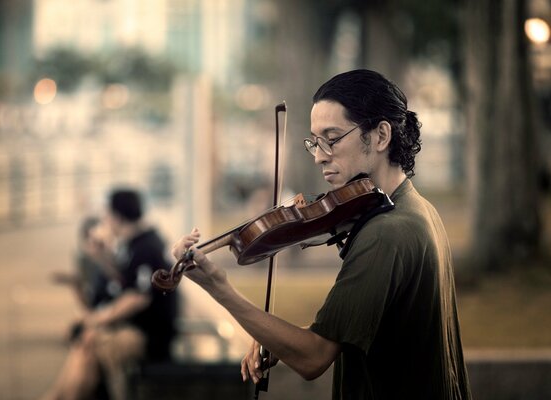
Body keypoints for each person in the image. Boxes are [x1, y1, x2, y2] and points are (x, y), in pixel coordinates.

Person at [172, 69, 472, 399]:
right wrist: (276, 336)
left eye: (331, 138)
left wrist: (220, 288)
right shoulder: (417, 209)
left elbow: (313, 357)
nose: (318, 156)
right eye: (314, 141)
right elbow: (355, 331)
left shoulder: (386, 233)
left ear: (381, 136)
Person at [41, 188, 179, 400]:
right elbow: (123, 280)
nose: (104, 219)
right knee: (88, 343)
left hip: (150, 337)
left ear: (117, 215)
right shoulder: (137, 244)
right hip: (135, 329)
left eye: (107, 213)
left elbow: (137, 298)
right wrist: (101, 257)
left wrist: (97, 320)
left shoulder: (146, 247)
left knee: (91, 342)